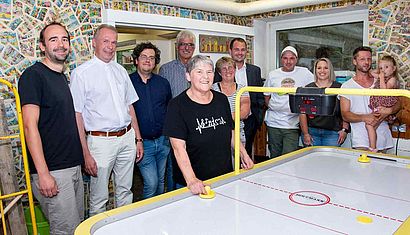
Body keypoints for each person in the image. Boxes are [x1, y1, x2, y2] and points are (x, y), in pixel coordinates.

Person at [70, 24, 144, 216]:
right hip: (100, 142)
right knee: (99, 198)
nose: (110, 46)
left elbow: (130, 106)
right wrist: (85, 152)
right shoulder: (81, 74)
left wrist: (138, 139)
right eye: (106, 41)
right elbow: (77, 115)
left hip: (127, 137)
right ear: (94, 43)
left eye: (114, 42)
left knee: (125, 192)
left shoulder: (121, 71)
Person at [19, 22, 84, 234]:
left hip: (72, 166)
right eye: (53, 39)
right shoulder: (33, 76)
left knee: (78, 227)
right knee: (66, 230)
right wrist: (44, 173)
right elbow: (29, 126)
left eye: (64, 39)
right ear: (42, 46)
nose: (61, 44)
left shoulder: (61, 77)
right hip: (53, 171)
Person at [163, 55, 254, 195]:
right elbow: (178, 148)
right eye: (199, 72)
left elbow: (231, 132)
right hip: (192, 183)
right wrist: (192, 179)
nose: (205, 76)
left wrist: (244, 154)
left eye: (209, 72)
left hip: (224, 177)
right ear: (188, 76)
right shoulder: (177, 106)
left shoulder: (221, 100)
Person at [129, 42, 172, 199]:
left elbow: (169, 109)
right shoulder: (128, 83)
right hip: (142, 144)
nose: (148, 60)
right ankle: (146, 216)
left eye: (152, 58)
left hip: (163, 141)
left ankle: (157, 215)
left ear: (155, 62)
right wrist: (137, 140)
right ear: (136, 60)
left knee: (161, 182)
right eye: (144, 57)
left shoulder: (163, 83)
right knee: (152, 182)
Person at [340, 46, 400, 152]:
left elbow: (399, 103)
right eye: (362, 59)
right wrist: (365, 117)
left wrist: (389, 110)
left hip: (384, 140)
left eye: (369, 59)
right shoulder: (346, 86)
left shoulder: (381, 82)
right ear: (354, 61)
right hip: (361, 142)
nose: (366, 62)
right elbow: (345, 114)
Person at [159, 30, 196, 191]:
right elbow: (162, 100)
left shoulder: (200, 66)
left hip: (197, 125)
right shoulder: (165, 70)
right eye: (183, 44)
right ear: (177, 46)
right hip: (176, 126)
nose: (186, 48)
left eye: (190, 45)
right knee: (173, 165)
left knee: (194, 161)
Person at [215, 38, 264, 157]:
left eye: (243, 50)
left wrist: (258, 118)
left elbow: (259, 96)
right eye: (236, 49)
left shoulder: (255, 70)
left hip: (250, 120)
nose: (240, 52)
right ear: (230, 51)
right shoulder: (219, 72)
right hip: (225, 124)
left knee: (245, 153)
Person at [264, 46, 314, 158]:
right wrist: (275, 106)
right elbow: (266, 96)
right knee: (274, 155)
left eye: (292, 58)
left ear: (296, 59)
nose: (288, 61)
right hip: (274, 122)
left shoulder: (304, 73)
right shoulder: (273, 74)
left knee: (288, 157)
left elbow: (318, 84)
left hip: (292, 124)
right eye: (285, 58)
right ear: (281, 59)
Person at [299, 58, 349, 146]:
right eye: (319, 68)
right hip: (311, 132)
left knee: (330, 159)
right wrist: (306, 133)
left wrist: (345, 129)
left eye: (326, 68)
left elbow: (345, 110)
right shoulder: (308, 88)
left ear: (330, 70)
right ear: (315, 70)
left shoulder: (339, 87)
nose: (322, 71)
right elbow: (302, 113)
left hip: (333, 133)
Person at [212, 56, 250, 145]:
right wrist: (234, 115)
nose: (228, 71)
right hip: (217, 134)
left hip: (238, 133)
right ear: (219, 72)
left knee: (238, 158)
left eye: (230, 67)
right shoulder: (212, 89)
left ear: (235, 69)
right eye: (224, 68)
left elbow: (244, 113)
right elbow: (210, 113)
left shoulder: (242, 89)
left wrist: (221, 116)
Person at [366, 55, 400, 152]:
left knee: (369, 125)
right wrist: (379, 72)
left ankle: (373, 148)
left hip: (384, 107)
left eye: (386, 67)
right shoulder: (382, 76)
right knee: (372, 126)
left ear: (393, 69)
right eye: (381, 68)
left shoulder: (392, 79)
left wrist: (380, 77)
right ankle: (373, 147)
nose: (383, 70)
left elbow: (384, 90)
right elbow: (371, 73)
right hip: (379, 106)